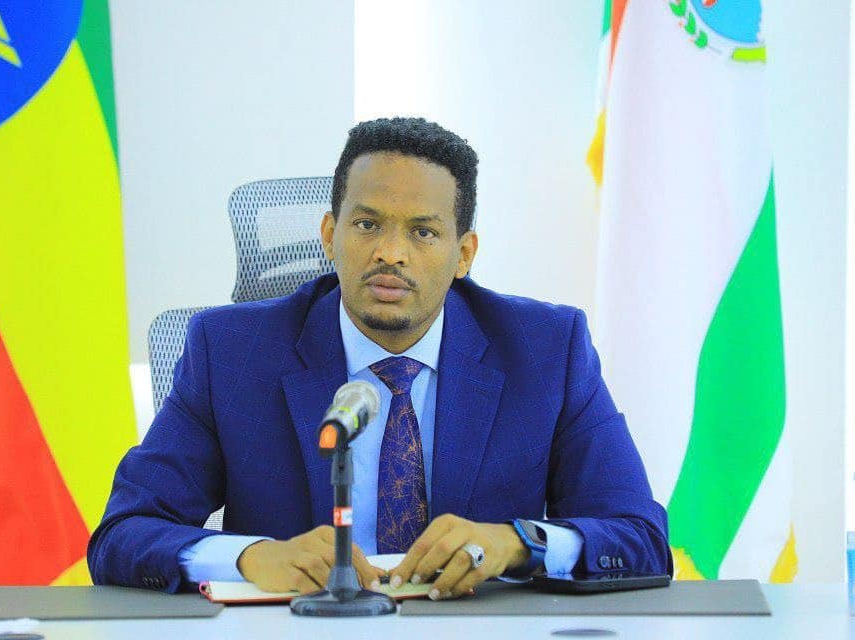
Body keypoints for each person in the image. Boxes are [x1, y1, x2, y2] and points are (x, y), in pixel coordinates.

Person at [88, 117, 671, 599]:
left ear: (464, 254)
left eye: (423, 233)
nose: (390, 253)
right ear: (329, 235)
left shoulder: (546, 350)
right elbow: (124, 534)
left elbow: (639, 536)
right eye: (367, 224)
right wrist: (250, 557)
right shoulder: (231, 353)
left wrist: (517, 544)